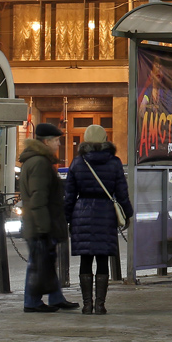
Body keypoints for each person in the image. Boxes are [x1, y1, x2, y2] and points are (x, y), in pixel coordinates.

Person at [64, 124, 133, 315]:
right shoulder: (114, 163)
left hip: (82, 213)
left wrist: (67, 217)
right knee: (102, 259)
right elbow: (122, 192)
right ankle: (100, 305)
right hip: (105, 213)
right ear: (105, 140)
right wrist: (127, 213)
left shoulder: (78, 163)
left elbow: (69, 195)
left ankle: (87, 305)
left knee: (86, 260)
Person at [18, 123, 80, 313]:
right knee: (38, 262)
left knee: (44, 261)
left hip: (39, 222)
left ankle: (55, 297)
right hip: (40, 224)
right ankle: (32, 300)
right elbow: (38, 198)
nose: (58, 144)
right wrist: (44, 227)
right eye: (56, 140)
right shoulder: (39, 163)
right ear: (46, 141)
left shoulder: (37, 161)